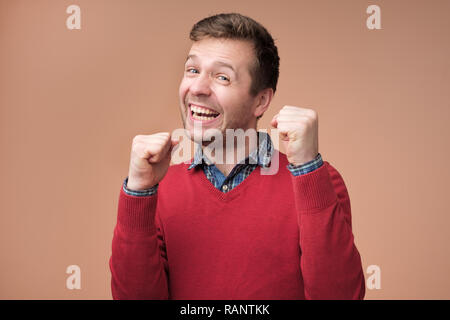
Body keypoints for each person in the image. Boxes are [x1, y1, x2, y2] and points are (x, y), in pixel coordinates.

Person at [109, 13, 365, 300]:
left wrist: (307, 169)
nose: (197, 88)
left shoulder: (318, 180)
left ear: (261, 101)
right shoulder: (159, 188)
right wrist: (138, 193)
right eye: (193, 70)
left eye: (222, 77)